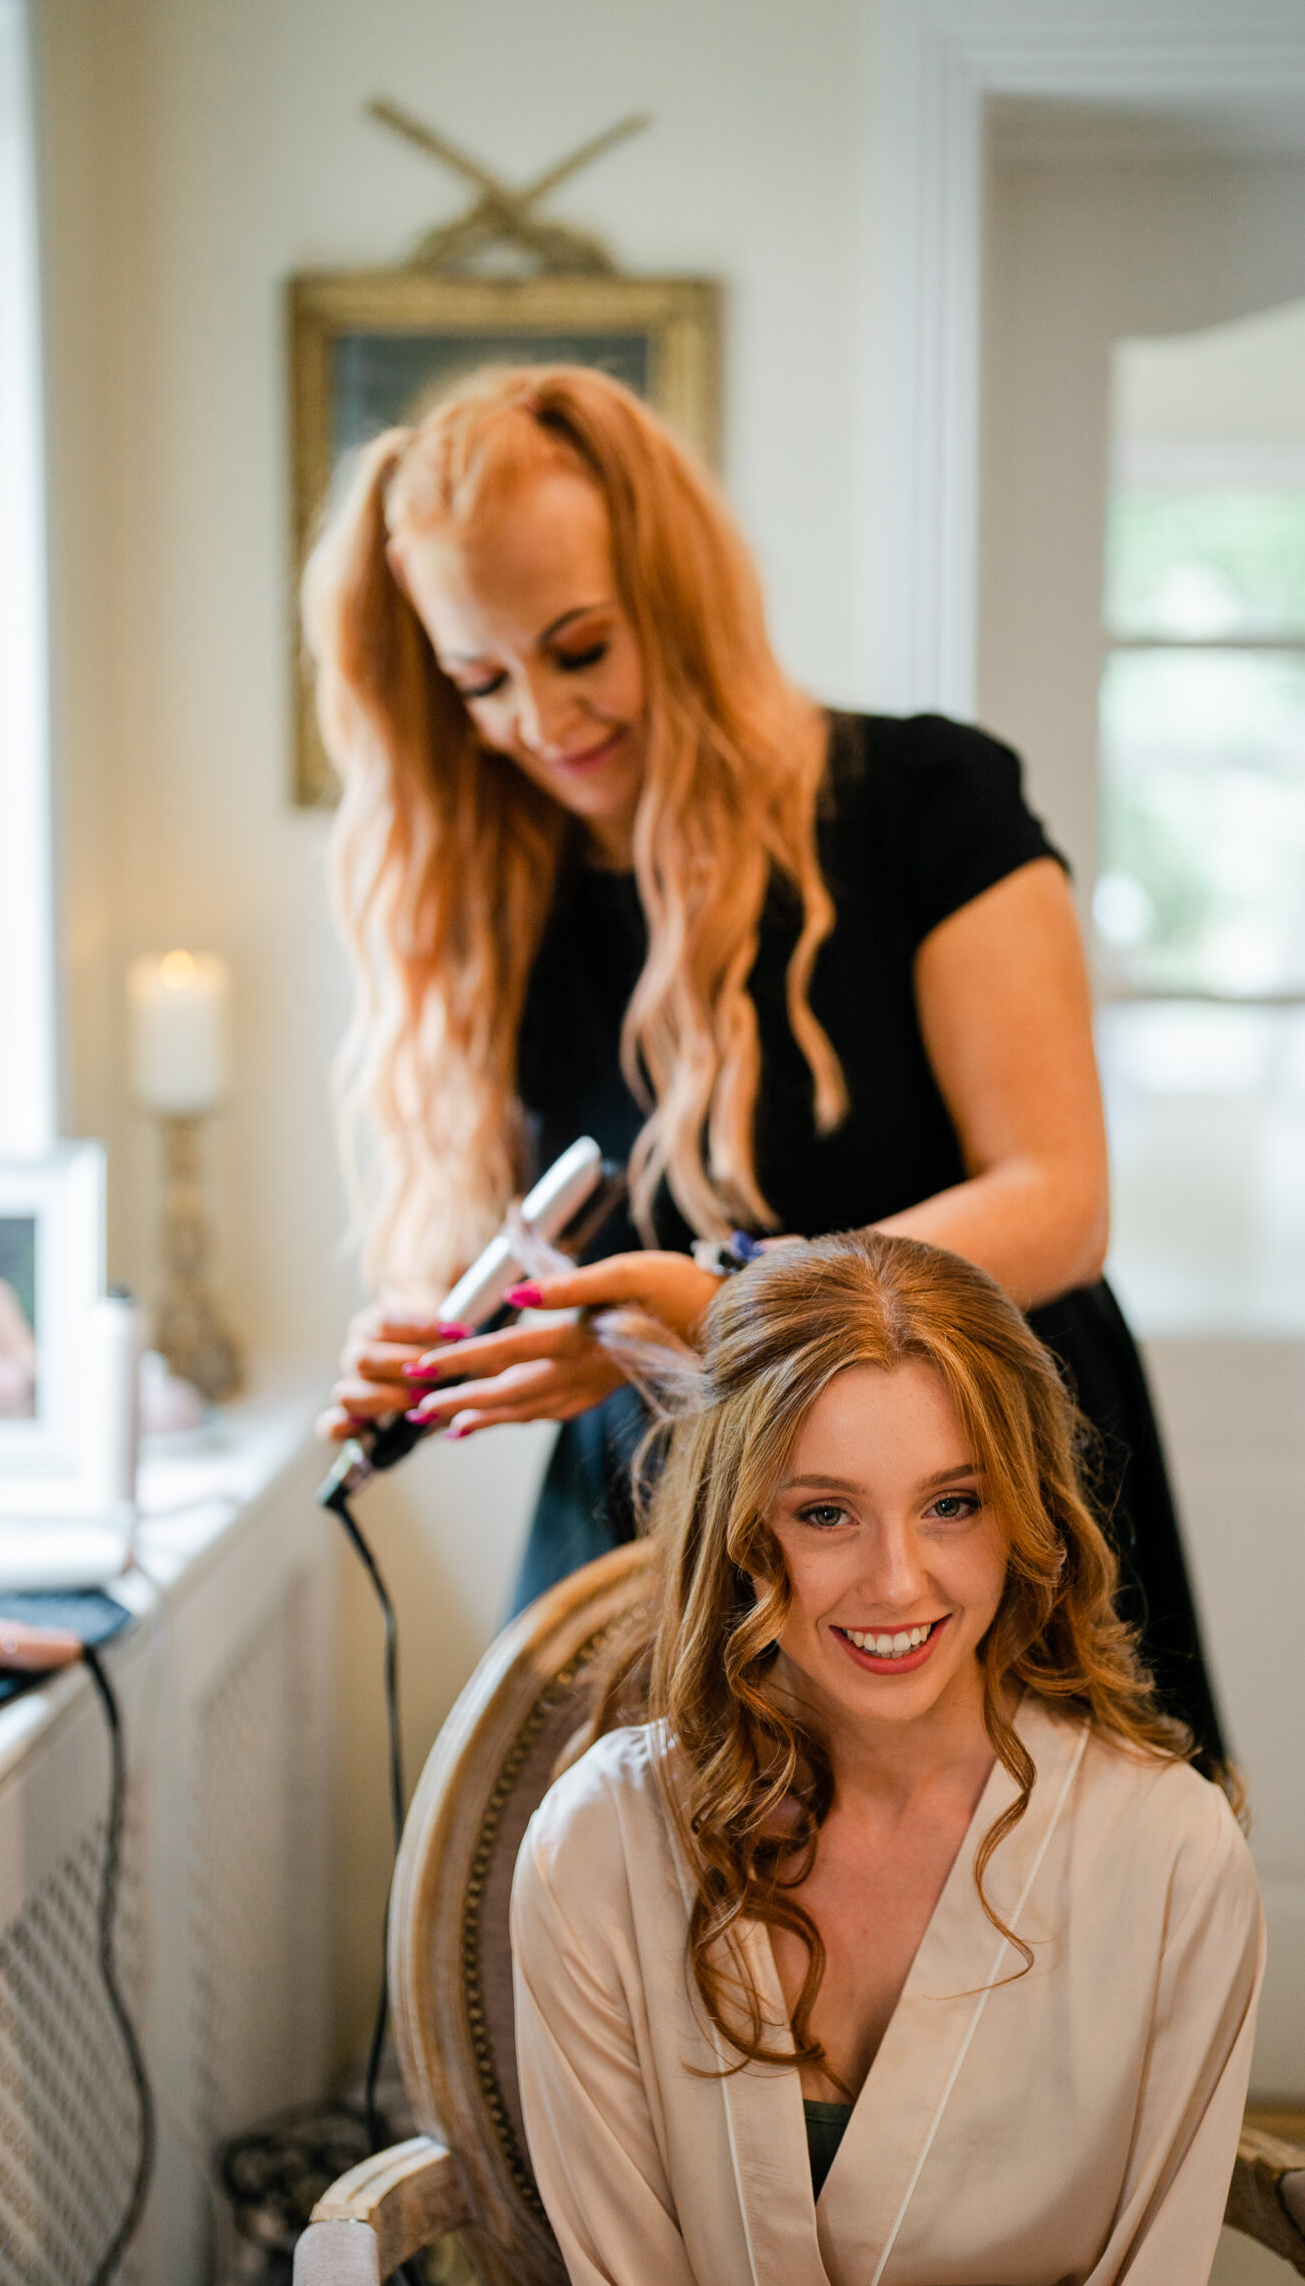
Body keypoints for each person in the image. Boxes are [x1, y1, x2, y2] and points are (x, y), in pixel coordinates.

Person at [306, 363, 1225, 1766]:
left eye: (579, 647)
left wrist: (732, 1307)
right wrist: (445, 1343)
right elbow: (551, 1255)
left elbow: (1055, 1201)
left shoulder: (924, 802)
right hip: (667, 1514)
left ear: (672, 597)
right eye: (479, 681)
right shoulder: (495, 895)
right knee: (610, 1946)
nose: (541, 723)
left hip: (963, 1493)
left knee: (1030, 1941)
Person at [510, 1233, 1263, 2286]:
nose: (897, 1580)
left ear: (1025, 1515)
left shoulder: (1171, 1852)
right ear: (737, 1524)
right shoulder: (596, 1852)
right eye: (825, 1513)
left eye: (952, 1503)